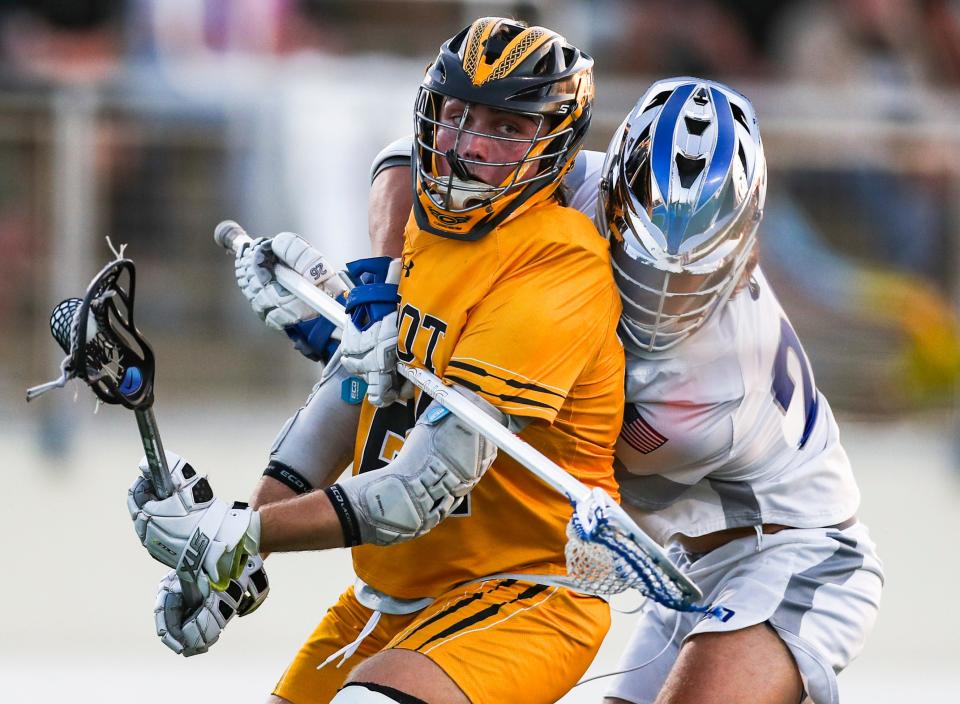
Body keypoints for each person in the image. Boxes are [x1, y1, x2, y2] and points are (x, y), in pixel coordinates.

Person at [128, 17, 626, 704]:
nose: (469, 145)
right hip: (390, 595)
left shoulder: (557, 267)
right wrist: (238, 556)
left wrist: (240, 533)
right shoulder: (419, 222)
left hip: (523, 592)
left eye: (506, 128)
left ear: (555, 144)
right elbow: (353, 394)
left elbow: (414, 491)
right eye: (458, 115)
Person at [349, 78, 885, 704]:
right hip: (685, 559)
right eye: (641, 252)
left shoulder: (714, 390)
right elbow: (404, 161)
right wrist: (383, 294)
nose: (658, 292)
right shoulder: (579, 183)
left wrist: (424, 333)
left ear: (745, 254)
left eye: (689, 272)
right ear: (611, 196)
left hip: (792, 556)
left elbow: (532, 454)